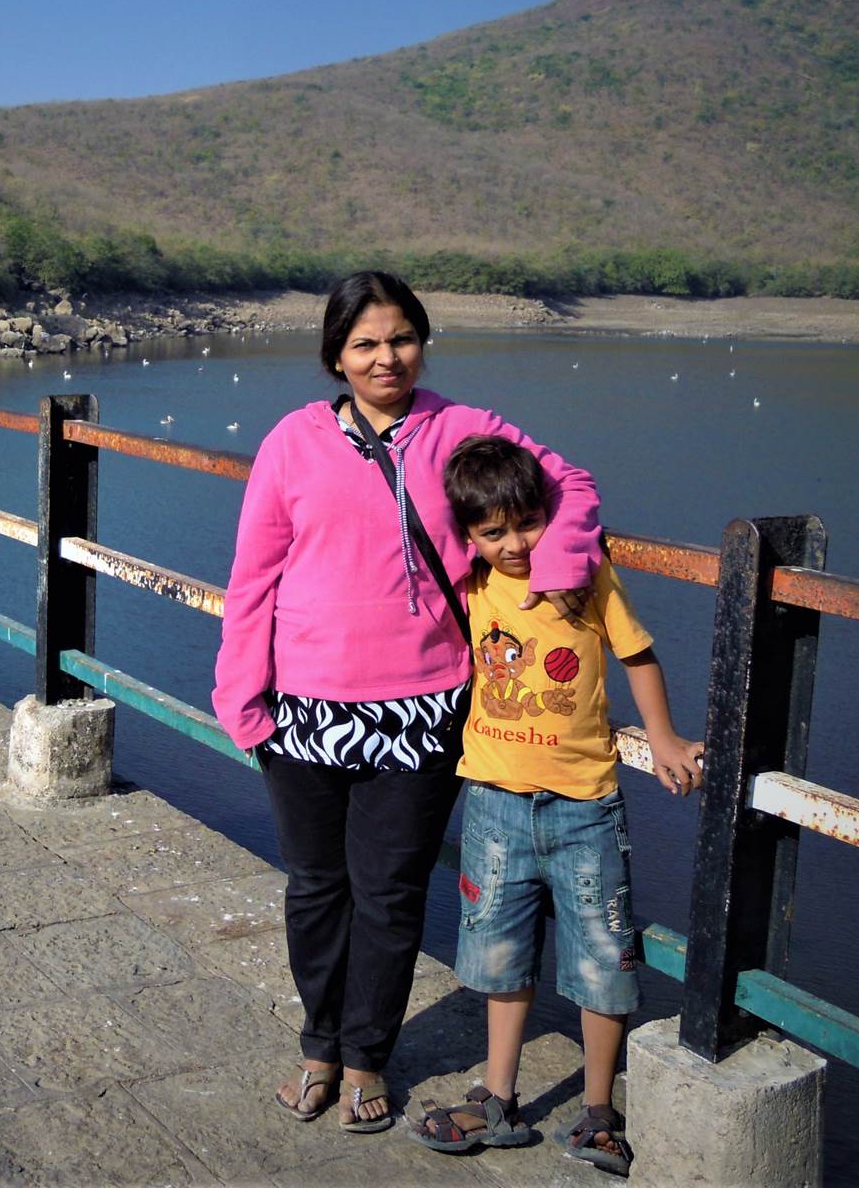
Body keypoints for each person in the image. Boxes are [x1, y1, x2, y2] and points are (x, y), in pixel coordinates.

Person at [212, 271, 603, 1133]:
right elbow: (252, 579)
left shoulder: (459, 428)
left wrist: (559, 563)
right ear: (335, 358)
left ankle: (366, 1060)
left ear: (421, 341)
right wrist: (240, 693)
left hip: (424, 706)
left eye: (400, 338)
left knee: (387, 892)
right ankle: (317, 1046)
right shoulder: (290, 441)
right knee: (316, 888)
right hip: (303, 705)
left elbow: (567, 484)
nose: (385, 357)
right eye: (364, 344)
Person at [406, 434, 704, 1176]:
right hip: (494, 801)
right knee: (500, 957)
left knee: (604, 960)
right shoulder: (469, 583)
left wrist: (662, 737)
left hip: (583, 804)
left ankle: (599, 1110)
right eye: (492, 531)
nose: (513, 544)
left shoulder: (585, 575)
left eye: (527, 522)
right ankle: (497, 1097)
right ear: (469, 534)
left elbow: (636, 655)